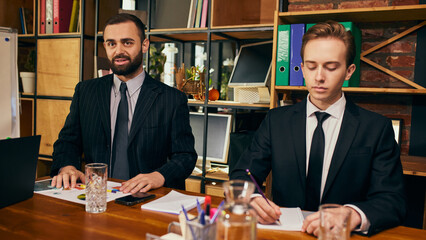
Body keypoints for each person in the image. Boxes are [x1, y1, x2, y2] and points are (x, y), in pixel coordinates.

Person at [230, 20, 406, 236]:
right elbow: (243, 173)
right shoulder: (276, 121)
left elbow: (392, 200)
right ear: (302, 68)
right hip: (284, 234)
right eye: (311, 66)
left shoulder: (376, 128)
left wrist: (353, 215)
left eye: (331, 67)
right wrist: (252, 198)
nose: (319, 77)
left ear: (349, 71)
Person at [50, 13, 197, 194]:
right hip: (97, 196)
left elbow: (185, 156)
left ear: (144, 45)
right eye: (112, 43)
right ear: (105, 46)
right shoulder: (85, 91)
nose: (118, 51)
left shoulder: (172, 99)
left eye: (127, 42)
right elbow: (67, 142)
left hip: (147, 200)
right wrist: (66, 166)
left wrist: (158, 175)